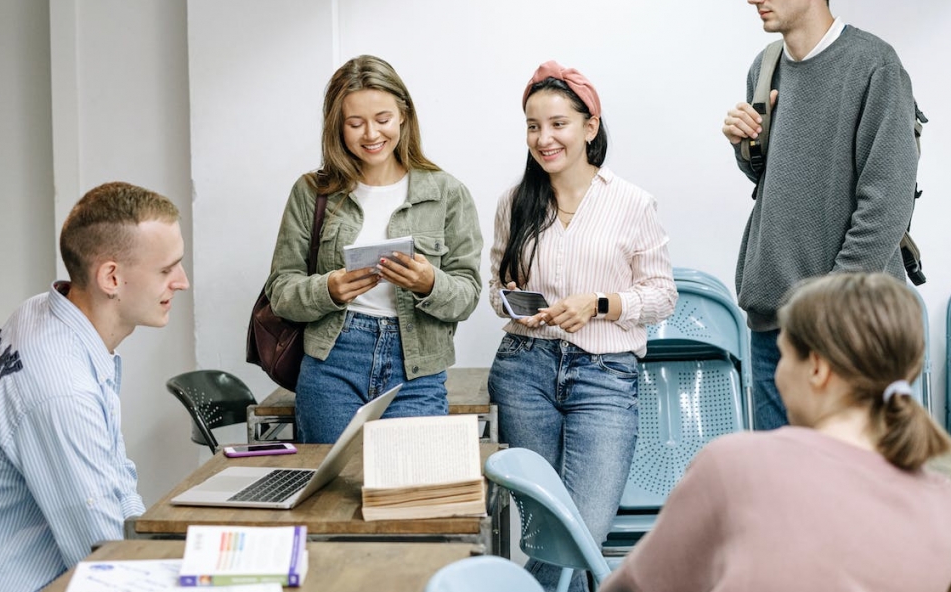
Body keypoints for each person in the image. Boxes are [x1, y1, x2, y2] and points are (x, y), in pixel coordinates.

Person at [601, 272, 951, 591]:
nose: (777, 374)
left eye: (783, 356)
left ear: (816, 368)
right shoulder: (941, 501)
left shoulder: (736, 464)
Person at [488, 60, 677, 592]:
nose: (543, 138)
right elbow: (495, 292)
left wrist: (599, 304)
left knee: (581, 530)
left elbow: (663, 295)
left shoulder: (632, 203)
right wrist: (515, 302)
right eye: (532, 126)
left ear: (589, 127)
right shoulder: (515, 202)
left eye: (557, 124)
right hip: (524, 372)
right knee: (546, 526)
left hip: (604, 376)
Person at [0, 182, 190, 591]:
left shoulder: (42, 312)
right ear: (111, 277)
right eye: (166, 269)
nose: (182, 281)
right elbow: (104, 562)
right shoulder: (60, 391)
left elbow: (115, 484)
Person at [721, 0, 919, 430]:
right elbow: (773, 179)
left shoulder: (875, 66)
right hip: (774, 326)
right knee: (781, 492)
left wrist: (825, 311)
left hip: (850, 329)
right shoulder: (764, 66)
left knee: (858, 492)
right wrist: (743, 144)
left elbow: (886, 207)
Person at [265, 55, 483, 444]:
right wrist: (328, 289)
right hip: (332, 363)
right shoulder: (312, 193)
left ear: (403, 115)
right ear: (337, 127)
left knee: (408, 494)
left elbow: (467, 295)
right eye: (355, 123)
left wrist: (430, 283)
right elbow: (281, 291)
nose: (371, 134)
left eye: (382, 119)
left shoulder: (447, 193)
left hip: (417, 369)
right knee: (329, 496)